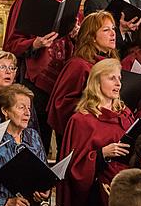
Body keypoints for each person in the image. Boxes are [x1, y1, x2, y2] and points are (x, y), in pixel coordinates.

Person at [3, 0, 78, 153]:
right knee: (38, 137)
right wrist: (35, 43)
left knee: (67, 140)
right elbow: (10, 45)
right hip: (37, 82)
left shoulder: (69, 1)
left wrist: (75, 34)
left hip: (66, 82)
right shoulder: (26, 1)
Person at [59, 58, 133, 206]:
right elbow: (74, 167)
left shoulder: (126, 113)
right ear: (96, 82)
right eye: (111, 78)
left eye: (119, 78)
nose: (118, 83)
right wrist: (102, 154)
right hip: (95, 195)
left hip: (126, 190)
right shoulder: (81, 120)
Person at [46, 11, 118, 149]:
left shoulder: (110, 62)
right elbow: (61, 106)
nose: (113, 33)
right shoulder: (78, 65)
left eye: (113, 29)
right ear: (92, 37)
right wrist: (94, 106)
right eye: (106, 30)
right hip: (83, 137)